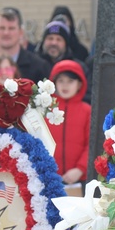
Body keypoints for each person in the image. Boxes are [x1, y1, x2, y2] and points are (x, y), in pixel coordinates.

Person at [46, 60, 91, 197]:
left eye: (70, 81)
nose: (65, 85)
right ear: (53, 83)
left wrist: (80, 169)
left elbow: (91, 144)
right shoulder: (45, 110)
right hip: (48, 178)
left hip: (78, 180)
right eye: (61, 81)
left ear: (79, 84)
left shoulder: (87, 111)